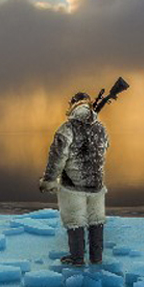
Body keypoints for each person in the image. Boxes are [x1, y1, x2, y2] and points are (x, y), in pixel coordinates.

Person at [39, 91, 109, 266]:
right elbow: (105, 148)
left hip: (73, 187)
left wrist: (49, 181)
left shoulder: (67, 129)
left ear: (73, 105)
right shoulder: (101, 128)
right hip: (97, 186)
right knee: (96, 220)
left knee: (74, 220)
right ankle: (96, 258)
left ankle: (77, 259)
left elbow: (57, 157)